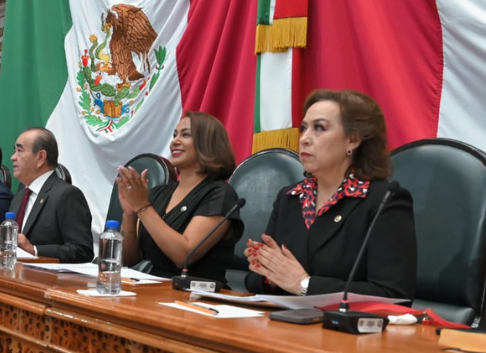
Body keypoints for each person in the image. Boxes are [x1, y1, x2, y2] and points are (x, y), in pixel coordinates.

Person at [245, 89, 417, 298]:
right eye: (304, 128)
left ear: (353, 140)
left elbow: (393, 295)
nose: (305, 139)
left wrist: (303, 284)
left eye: (319, 128)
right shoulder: (291, 197)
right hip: (284, 323)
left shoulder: (384, 200)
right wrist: (269, 275)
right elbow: (253, 280)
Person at [117, 111, 244, 282]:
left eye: (186, 135)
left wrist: (143, 207)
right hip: (151, 290)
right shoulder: (158, 193)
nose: (175, 141)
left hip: (196, 297)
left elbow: (184, 256)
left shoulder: (220, 194)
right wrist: (130, 215)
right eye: (175, 134)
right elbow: (128, 260)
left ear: (208, 144)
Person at [8, 128, 93, 263]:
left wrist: (35, 250)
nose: (13, 157)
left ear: (40, 157)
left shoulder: (67, 195)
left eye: (19, 151)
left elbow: (82, 251)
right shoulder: (19, 197)